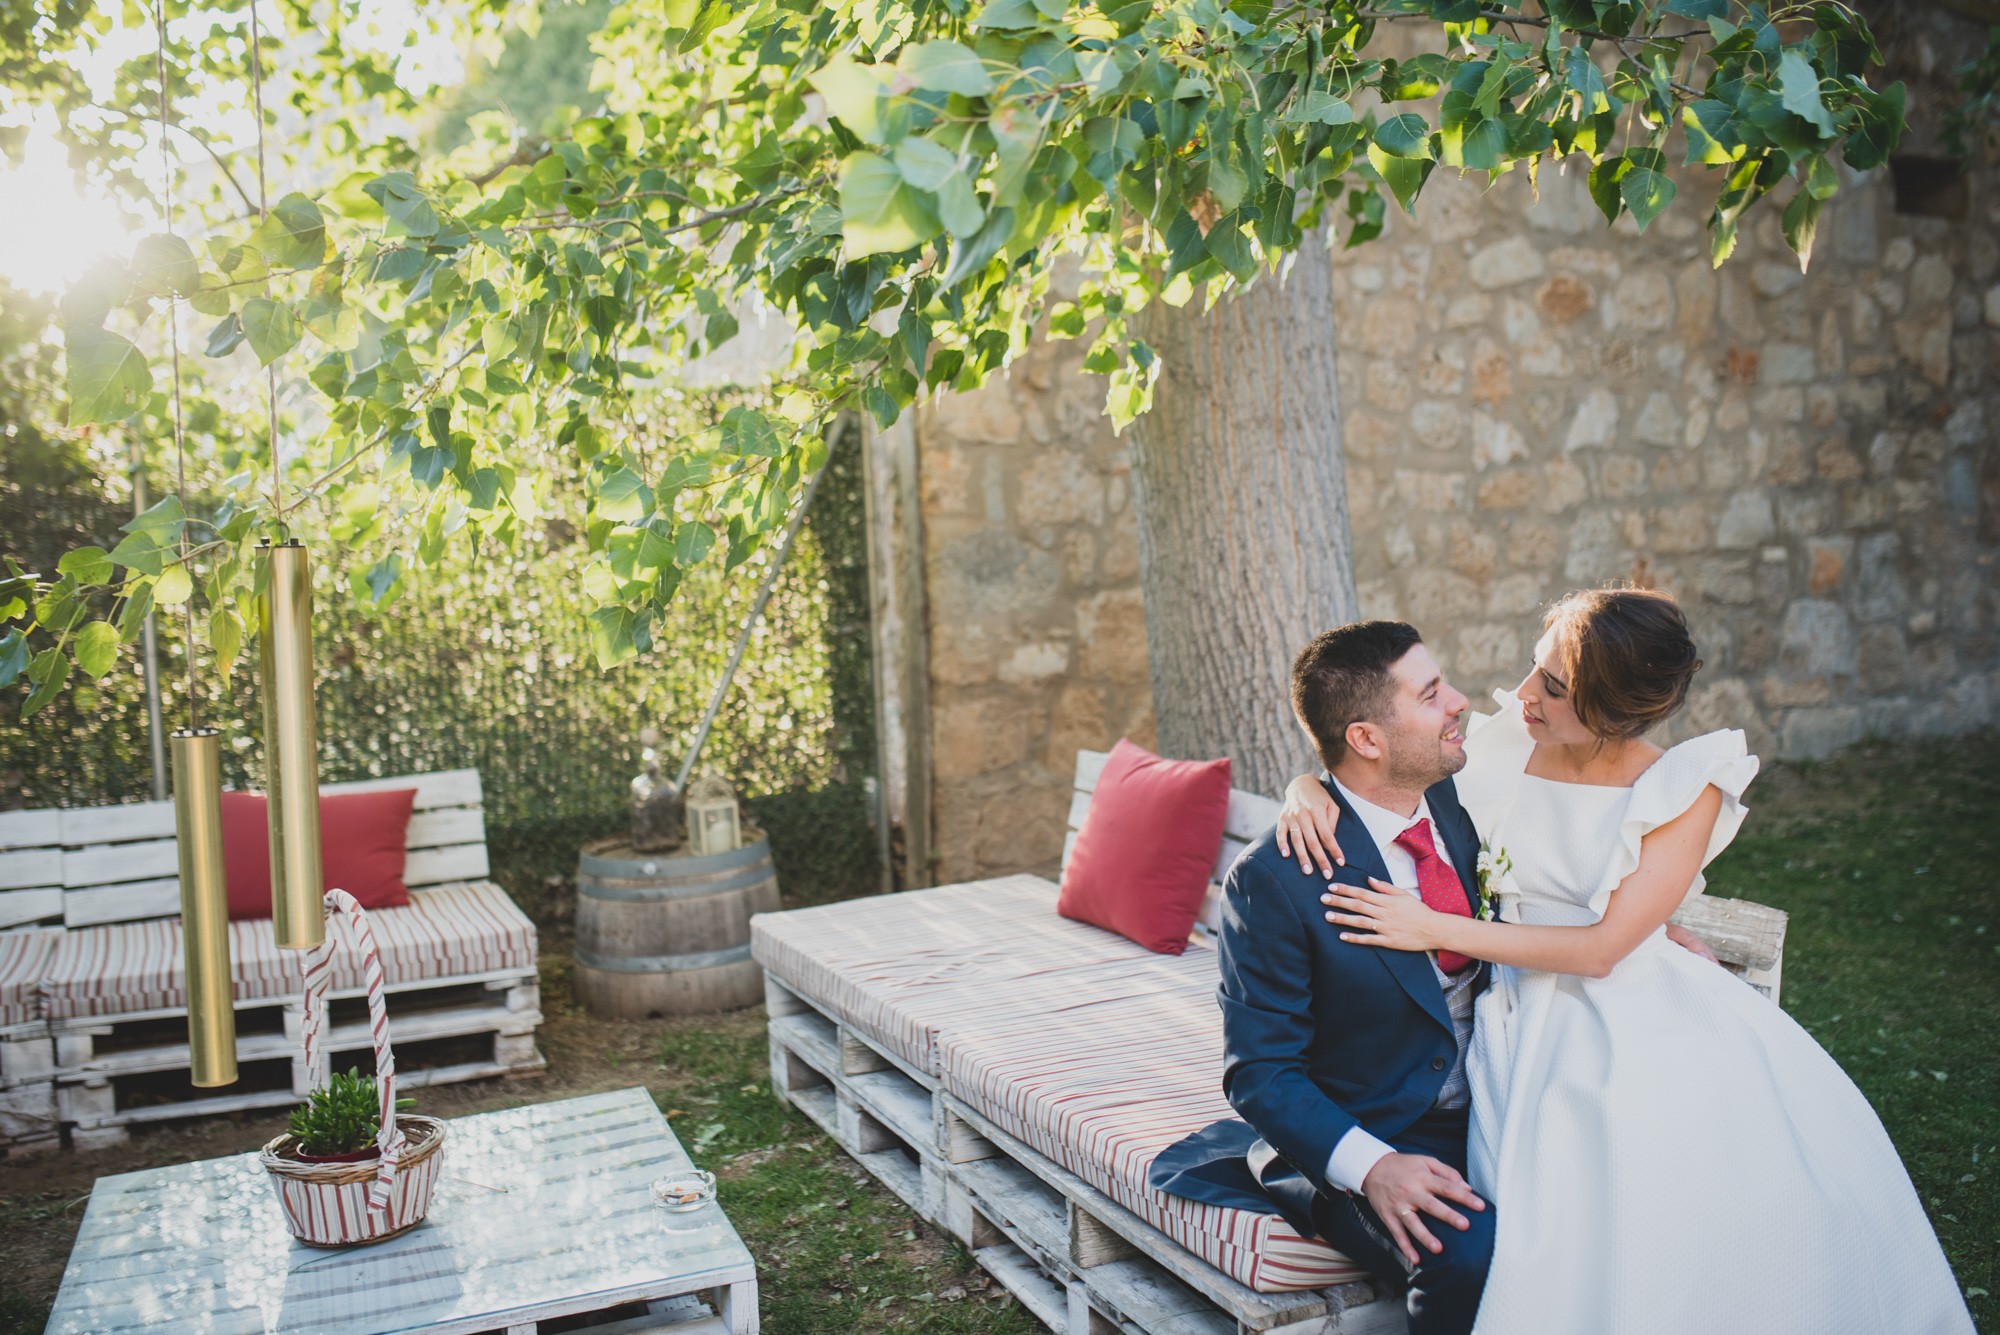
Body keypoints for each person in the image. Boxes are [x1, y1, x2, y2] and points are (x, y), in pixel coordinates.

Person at [1278, 589, 1976, 1334]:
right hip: (1518, 1014)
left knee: (1664, 1182)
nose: (1522, 694)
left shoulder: (1682, 787)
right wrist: (1306, 788)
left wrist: (1433, 927)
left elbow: (1604, 949)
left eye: (1552, 686)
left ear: (1610, 710)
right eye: (1535, 668)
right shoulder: (1512, 741)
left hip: (1625, 1007)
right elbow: (1387, 764)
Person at [1149, 618, 1715, 1335]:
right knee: (1475, 1253)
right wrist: (1375, 1167)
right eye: (1431, 693)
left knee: (1633, 1200)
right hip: (1376, 1126)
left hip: (1505, 1092)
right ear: (1367, 738)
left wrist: (1649, 924)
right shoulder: (1274, 881)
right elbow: (1261, 1072)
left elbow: (1553, 879)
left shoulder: (1456, 800)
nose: (1461, 703)